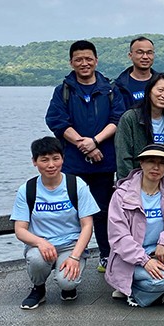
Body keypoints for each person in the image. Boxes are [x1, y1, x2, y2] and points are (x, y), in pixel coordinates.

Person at [45, 39, 125, 273]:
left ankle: (106, 255)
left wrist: (95, 141)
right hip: (73, 163)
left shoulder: (110, 89)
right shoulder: (63, 91)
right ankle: (68, 255)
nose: (84, 63)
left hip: (104, 162)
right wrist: (85, 145)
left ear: (96, 60)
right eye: (78, 59)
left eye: (88, 58)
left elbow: (118, 119)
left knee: (103, 211)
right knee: (69, 211)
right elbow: (57, 121)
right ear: (71, 62)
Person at [11, 137, 100, 309]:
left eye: (55, 158)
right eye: (44, 160)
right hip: (41, 245)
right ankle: (38, 288)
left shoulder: (76, 185)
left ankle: (68, 287)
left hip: (70, 245)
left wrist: (75, 256)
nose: (51, 165)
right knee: (36, 260)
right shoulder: (27, 189)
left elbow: (87, 225)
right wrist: (40, 242)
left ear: (63, 159)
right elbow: (20, 229)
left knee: (67, 282)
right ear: (34, 161)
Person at [105, 144, 164, 309]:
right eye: (151, 161)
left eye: (162, 163)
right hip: (131, 259)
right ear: (141, 163)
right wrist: (145, 260)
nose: (156, 167)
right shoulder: (122, 194)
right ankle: (134, 292)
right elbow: (119, 237)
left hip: (160, 253)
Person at [115, 73, 164, 180]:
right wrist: (129, 183)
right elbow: (123, 155)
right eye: (160, 90)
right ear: (149, 91)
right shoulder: (131, 118)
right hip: (134, 181)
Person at [115, 36, 157, 110]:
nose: (145, 57)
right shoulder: (119, 86)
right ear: (130, 55)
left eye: (149, 53)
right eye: (140, 52)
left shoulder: (162, 83)